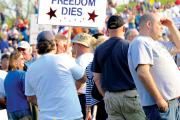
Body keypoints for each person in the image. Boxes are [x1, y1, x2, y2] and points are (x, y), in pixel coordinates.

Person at [92, 15, 146, 120]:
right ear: (124, 29)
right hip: (131, 96)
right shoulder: (130, 46)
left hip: (111, 97)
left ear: (107, 30)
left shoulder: (99, 49)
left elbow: (97, 78)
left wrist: (106, 96)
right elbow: (142, 72)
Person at [128, 12, 180, 120]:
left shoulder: (156, 43)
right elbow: (143, 73)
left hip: (171, 103)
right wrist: (159, 99)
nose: (162, 28)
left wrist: (171, 25)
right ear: (149, 24)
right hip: (161, 105)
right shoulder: (140, 42)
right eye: (159, 25)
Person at [25, 31, 85, 120]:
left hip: (47, 117)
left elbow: (30, 98)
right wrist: (74, 88)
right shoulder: (64, 58)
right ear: (54, 45)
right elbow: (83, 78)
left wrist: (47, 104)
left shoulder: (30, 69)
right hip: (71, 116)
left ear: (38, 47)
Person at [71, 33, 96, 119]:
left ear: (80, 45)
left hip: (83, 98)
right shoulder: (93, 57)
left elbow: (82, 80)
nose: (72, 46)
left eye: (73, 44)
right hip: (92, 98)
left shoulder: (81, 60)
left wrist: (72, 92)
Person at [4, 51, 32, 120]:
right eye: (21, 59)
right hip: (22, 109)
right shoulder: (23, 74)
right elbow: (28, 94)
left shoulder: (7, 76)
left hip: (10, 111)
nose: (24, 60)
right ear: (15, 61)